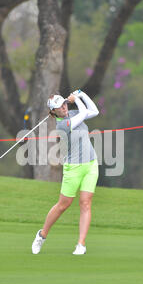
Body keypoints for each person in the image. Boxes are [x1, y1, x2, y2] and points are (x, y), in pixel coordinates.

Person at [32, 90, 99, 255]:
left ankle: (81, 244)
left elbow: (95, 111)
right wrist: (76, 98)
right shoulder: (62, 124)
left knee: (85, 203)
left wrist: (83, 94)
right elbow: (84, 112)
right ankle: (42, 235)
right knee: (63, 205)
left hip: (91, 164)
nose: (63, 107)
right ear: (53, 112)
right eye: (58, 107)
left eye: (63, 103)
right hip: (73, 168)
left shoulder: (74, 112)